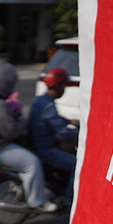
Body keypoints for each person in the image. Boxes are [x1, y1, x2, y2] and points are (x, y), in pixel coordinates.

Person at [0, 59, 58, 214]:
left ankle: (34, 188)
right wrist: (22, 120)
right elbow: (12, 131)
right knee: (32, 163)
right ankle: (37, 202)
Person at [29, 67, 79, 203]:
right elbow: (62, 132)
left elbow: (53, 119)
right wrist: (81, 135)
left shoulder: (40, 100)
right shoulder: (49, 106)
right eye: (64, 85)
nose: (65, 89)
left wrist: (70, 121)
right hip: (47, 150)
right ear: (58, 86)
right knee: (77, 164)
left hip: (38, 145)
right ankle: (68, 200)